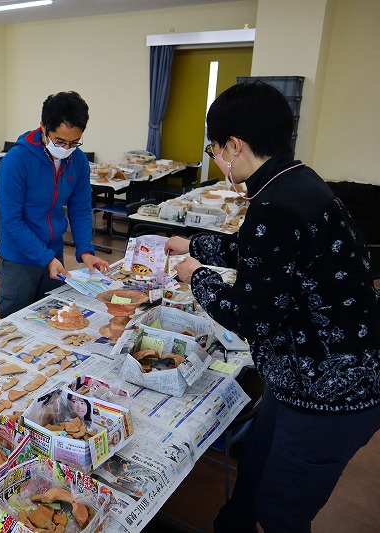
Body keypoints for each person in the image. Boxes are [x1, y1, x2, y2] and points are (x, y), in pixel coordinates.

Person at [164, 81, 380, 532]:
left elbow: (252, 317)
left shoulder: (276, 203)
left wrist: (195, 275)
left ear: (234, 145)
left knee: (281, 514)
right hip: (300, 375)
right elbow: (258, 250)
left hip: (331, 390)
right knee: (256, 466)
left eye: (215, 147)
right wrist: (194, 243)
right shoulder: (294, 181)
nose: (215, 157)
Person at [0, 91, 110, 318]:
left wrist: (86, 251)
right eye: (60, 141)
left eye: (74, 143)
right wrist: (45, 258)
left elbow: (80, 209)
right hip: (20, 256)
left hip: (53, 252)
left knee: (51, 316)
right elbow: (12, 221)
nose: (66, 149)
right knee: (15, 319)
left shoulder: (77, 161)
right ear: (43, 128)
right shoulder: (16, 161)